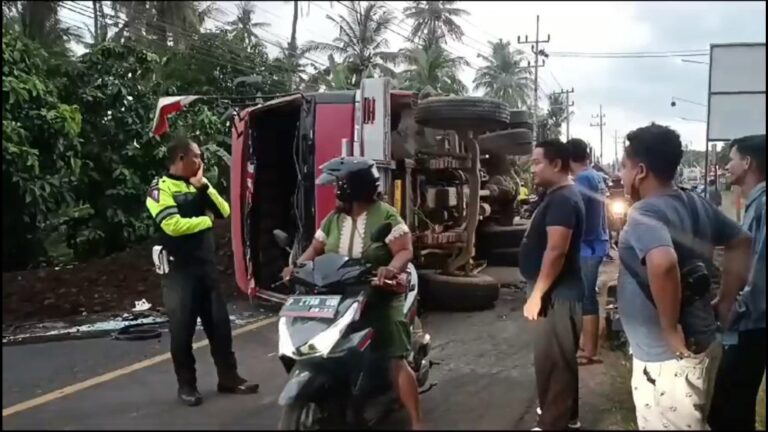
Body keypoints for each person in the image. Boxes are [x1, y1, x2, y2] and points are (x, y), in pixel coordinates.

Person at [616, 123, 751, 430]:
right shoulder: (695, 202)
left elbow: (663, 263)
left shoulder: (643, 213)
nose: (621, 176)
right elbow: (742, 241)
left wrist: (668, 328)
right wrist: (726, 300)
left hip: (668, 359)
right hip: (699, 340)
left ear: (640, 171)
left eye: (624, 167)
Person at [280, 156, 424, 430]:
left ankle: (417, 422)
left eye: (340, 184)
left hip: (379, 294)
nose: (336, 189)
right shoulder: (334, 219)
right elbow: (315, 248)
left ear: (353, 186)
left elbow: (405, 250)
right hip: (338, 294)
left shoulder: (386, 215)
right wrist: (296, 267)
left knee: (394, 357)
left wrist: (390, 269)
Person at [145, 136, 259, 407]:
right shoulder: (160, 188)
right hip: (179, 273)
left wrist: (204, 185)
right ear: (182, 158)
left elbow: (224, 210)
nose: (201, 161)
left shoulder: (198, 185)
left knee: (220, 328)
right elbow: (172, 224)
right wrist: (204, 220)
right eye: (197, 156)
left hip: (206, 270)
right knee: (182, 332)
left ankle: (229, 378)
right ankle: (187, 386)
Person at [519, 139, 585, 430]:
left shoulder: (563, 199)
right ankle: (567, 418)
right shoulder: (556, 196)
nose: (532, 169)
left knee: (554, 363)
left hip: (557, 294)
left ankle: (553, 424)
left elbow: (556, 251)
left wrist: (537, 294)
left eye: (537, 162)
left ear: (556, 164)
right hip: (556, 292)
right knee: (558, 361)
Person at [709, 134, 766, 430]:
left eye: (731, 158)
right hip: (752, 320)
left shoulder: (764, 204)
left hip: (753, 323)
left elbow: (760, 269)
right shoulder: (755, 202)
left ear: (747, 162)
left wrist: (734, 308)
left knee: (729, 407)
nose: (727, 165)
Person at [566, 138, 610, 366]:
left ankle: (589, 351)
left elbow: (578, 216)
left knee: (587, 297)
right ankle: (588, 344)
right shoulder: (594, 176)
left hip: (588, 246)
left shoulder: (582, 180)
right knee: (588, 295)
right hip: (597, 243)